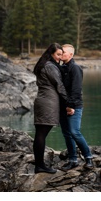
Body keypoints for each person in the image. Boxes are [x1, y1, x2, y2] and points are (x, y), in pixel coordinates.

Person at [31, 43, 69, 174]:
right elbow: (59, 85)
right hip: (48, 102)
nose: (60, 57)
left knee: (40, 134)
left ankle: (39, 165)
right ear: (51, 53)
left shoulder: (44, 64)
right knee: (41, 134)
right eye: (58, 54)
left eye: (61, 54)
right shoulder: (49, 66)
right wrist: (68, 101)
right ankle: (40, 166)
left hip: (42, 100)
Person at [58, 44, 94, 170]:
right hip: (62, 106)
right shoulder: (61, 68)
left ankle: (88, 158)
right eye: (60, 52)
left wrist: (71, 106)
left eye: (64, 52)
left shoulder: (75, 68)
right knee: (67, 134)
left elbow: (76, 90)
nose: (61, 54)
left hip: (74, 106)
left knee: (75, 132)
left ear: (71, 55)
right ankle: (73, 160)